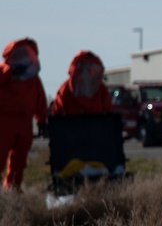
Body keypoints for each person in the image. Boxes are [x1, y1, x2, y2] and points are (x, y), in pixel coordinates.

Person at [0, 38, 48, 191]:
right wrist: (10, 71)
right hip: (4, 120)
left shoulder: (33, 80)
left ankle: (13, 192)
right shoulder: (4, 72)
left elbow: (40, 101)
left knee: (19, 161)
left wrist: (42, 120)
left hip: (25, 123)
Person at [50, 51, 113, 116]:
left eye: (91, 70)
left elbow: (108, 115)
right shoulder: (65, 90)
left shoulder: (101, 90)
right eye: (85, 69)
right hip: (72, 125)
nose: (87, 74)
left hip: (96, 125)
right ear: (77, 71)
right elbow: (57, 115)